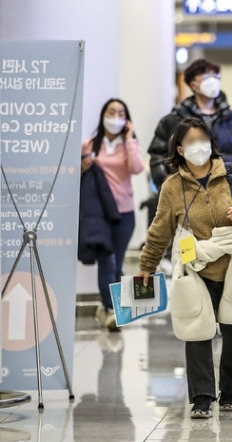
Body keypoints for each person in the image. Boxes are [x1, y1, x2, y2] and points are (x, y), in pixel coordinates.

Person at [137, 118, 232, 418]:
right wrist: (147, 265)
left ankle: (231, 394)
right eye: (191, 141)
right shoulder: (172, 186)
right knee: (197, 332)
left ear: (211, 143)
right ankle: (201, 398)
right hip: (196, 266)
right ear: (181, 150)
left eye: (203, 139)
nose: (199, 146)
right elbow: (160, 230)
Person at [80, 98, 144, 331]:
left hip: (124, 212)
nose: (115, 117)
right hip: (98, 214)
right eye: (111, 112)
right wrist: (82, 167)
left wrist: (129, 139)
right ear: (103, 115)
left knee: (116, 264)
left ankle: (106, 307)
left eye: (120, 113)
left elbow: (137, 168)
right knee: (107, 261)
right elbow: (75, 173)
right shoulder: (88, 145)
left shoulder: (129, 144)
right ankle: (111, 310)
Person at [148, 58, 232, 190]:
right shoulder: (174, 119)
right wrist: (164, 178)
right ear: (193, 85)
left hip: (227, 187)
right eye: (207, 76)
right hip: (187, 189)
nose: (213, 80)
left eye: (216, 76)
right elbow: (157, 154)